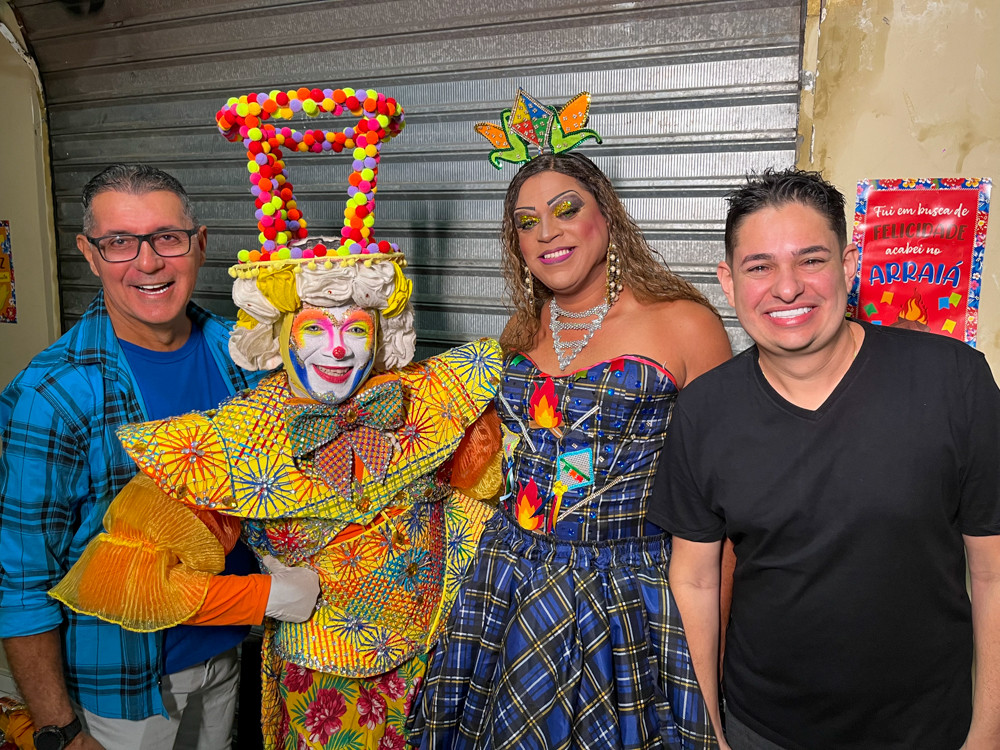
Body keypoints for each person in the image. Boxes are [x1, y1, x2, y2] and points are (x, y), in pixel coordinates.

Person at [51, 86, 505, 750]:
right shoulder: (241, 435)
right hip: (320, 689)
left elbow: (483, 497)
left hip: (442, 667)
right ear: (281, 335)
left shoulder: (429, 399)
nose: (339, 349)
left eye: (356, 329)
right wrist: (261, 597)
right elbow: (127, 573)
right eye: (316, 328)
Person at [412, 90, 732, 749]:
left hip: (629, 594)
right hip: (511, 585)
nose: (547, 232)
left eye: (566, 209)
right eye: (527, 222)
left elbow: (724, 509)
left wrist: (714, 676)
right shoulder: (520, 332)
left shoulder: (684, 324)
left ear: (605, 216)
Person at [652, 168, 1000, 750]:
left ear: (849, 265)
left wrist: (988, 732)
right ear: (728, 283)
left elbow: (992, 571)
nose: (787, 288)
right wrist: (708, 730)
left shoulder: (953, 381)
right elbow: (694, 579)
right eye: (759, 267)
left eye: (810, 260)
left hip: (929, 730)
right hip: (763, 730)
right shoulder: (703, 411)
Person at [0, 163, 317, 750]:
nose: (148, 263)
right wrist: (59, 728)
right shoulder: (54, 394)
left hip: (227, 654)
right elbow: (22, 582)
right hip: (120, 690)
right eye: (120, 242)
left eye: (167, 238)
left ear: (199, 244)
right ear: (89, 254)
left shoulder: (246, 358)